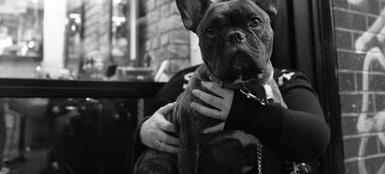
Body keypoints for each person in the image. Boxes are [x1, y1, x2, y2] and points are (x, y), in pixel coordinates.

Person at [128, 63, 330, 174]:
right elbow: (151, 130)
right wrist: (144, 130)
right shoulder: (187, 79)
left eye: (250, 22)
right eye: (216, 29)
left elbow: (315, 137)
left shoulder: (285, 78)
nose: (234, 38)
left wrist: (244, 112)